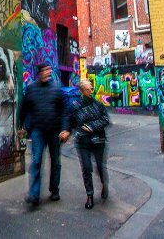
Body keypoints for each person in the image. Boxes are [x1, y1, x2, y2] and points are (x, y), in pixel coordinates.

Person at [18, 64, 67, 208]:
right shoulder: (32, 89)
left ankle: (54, 190)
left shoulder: (56, 87)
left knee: (56, 162)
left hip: (54, 130)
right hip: (38, 130)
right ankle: (34, 195)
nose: (48, 73)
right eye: (45, 71)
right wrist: (22, 126)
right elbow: (24, 108)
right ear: (39, 73)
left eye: (49, 71)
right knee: (37, 161)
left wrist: (64, 129)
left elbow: (63, 111)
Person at [65, 79, 110, 209]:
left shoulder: (98, 104)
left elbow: (106, 120)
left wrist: (92, 126)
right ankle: (89, 195)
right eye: (87, 89)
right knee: (86, 167)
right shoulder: (75, 106)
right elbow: (70, 121)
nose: (90, 91)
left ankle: (104, 184)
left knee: (100, 167)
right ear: (81, 91)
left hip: (98, 141)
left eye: (91, 88)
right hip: (82, 142)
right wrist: (67, 131)